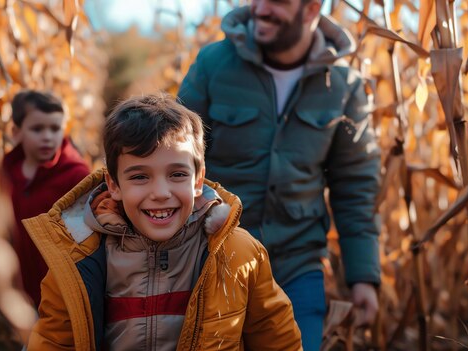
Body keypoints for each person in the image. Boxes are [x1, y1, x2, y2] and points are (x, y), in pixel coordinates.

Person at [23, 94, 302, 350]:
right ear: (114, 184)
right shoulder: (78, 260)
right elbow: (53, 342)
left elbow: (277, 340)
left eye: (177, 174)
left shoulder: (238, 254)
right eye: (140, 177)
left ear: (199, 179)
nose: (160, 193)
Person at [177, 1, 381, 350]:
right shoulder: (213, 64)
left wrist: (363, 275)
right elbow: (175, 156)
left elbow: (354, 187)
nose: (261, 8)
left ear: (311, 8)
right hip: (214, 260)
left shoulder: (344, 86)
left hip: (296, 267)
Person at [1, 90, 90, 308]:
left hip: (62, 288)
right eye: (37, 129)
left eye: (55, 128)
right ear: (16, 132)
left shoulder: (76, 176)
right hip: (23, 284)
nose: (48, 137)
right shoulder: (8, 170)